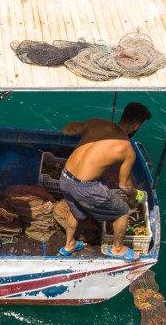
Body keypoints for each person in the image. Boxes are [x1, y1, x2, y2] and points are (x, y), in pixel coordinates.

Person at [56, 102, 152, 261]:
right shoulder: (126, 149)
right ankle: (117, 249)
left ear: (123, 114)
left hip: (65, 178)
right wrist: (137, 194)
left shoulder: (96, 122)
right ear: (136, 125)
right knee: (122, 212)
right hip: (85, 188)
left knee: (76, 212)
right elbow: (124, 185)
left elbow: (67, 129)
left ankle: (69, 245)